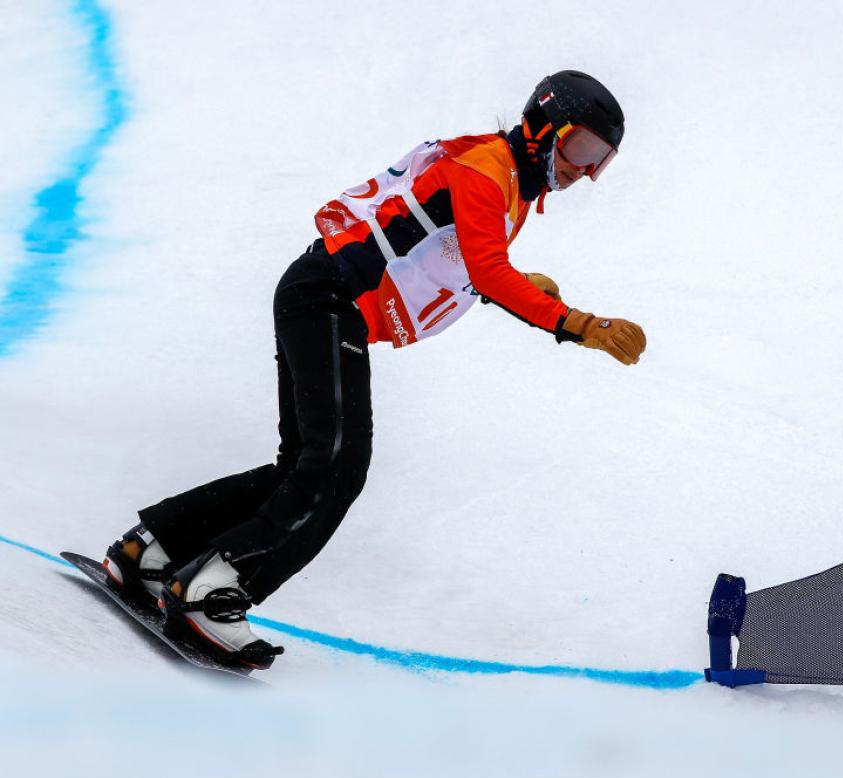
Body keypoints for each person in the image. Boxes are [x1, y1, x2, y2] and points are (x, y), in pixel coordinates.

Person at [98, 70, 646, 669]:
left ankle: (148, 553)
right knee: (336, 468)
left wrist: (497, 289)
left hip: (322, 297)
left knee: (305, 464)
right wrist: (577, 322)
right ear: (546, 128)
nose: (584, 172)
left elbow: (447, 251)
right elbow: (486, 267)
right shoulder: (489, 169)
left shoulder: (500, 174)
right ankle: (211, 591)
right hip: (330, 299)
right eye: (583, 149)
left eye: (602, 161)